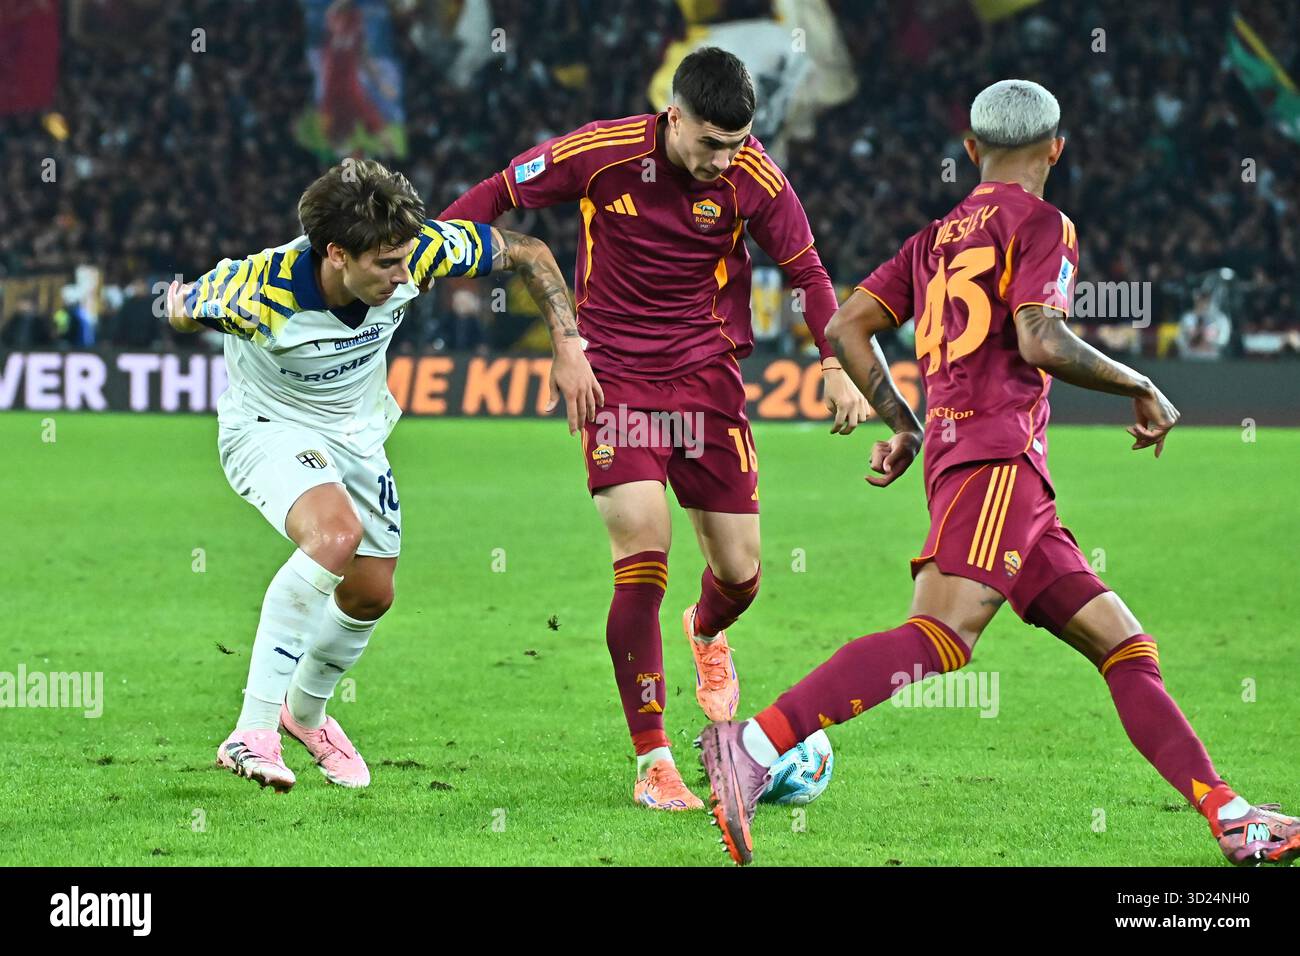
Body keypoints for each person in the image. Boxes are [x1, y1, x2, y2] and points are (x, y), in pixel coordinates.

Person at [698, 79, 1300, 867]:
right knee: (939, 639)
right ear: (1057, 148)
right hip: (996, 462)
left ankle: (1229, 813)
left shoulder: (935, 237)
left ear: (972, 150)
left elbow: (847, 326)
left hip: (997, 476)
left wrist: (905, 424)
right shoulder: (1044, 223)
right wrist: (1143, 383)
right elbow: (1042, 339)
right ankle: (752, 744)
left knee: (1125, 646)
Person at [439, 48, 888, 811]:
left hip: (709, 382)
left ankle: (707, 632)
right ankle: (653, 761)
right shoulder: (602, 152)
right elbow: (496, 193)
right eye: (712, 143)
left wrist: (835, 364)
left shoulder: (756, 179)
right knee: (642, 554)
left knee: (742, 576)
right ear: (673, 117)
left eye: (739, 143)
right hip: (613, 377)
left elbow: (810, 274)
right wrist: (437, 258)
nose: (725, 160)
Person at [166, 159, 594, 792]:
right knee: (334, 536)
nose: (402, 278)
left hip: (358, 435)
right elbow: (182, 309)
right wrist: (181, 307)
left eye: (404, 261)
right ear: (336, 253)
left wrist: (568, 346)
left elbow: (528, 251)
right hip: (269, 426)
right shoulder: (259, 290)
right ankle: (250, 733)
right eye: (384, 266)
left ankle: (304, 716)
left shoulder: (419, 252)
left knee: (371, 593)